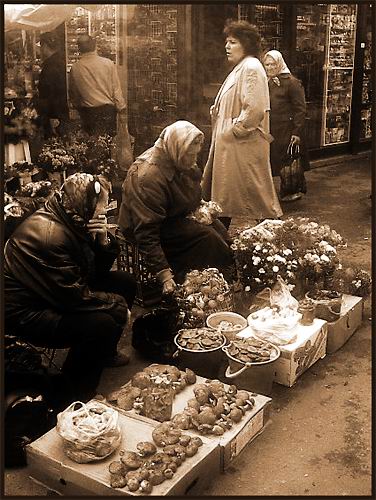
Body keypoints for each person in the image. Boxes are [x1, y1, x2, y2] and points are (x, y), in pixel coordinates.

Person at [4, 173, 137, 408]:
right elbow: (72, 296)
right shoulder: (50, 235)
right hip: (26, 311)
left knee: (124, 282)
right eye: (102, 205)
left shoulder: (72, 217)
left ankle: (103, 353)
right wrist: (116, 306)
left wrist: (103, 240)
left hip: (52, 292)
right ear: (84, 203)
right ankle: (72, 396)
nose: (105, 211)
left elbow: (91, 273)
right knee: (100, 324)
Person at [118, 120, 235, 294]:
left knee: (219, 230)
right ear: (177, 149)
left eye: (196, 155)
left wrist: (202, 208)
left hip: (174, 216)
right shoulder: (148, 177)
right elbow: (146, 231)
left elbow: (192, 194)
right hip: (148, 228)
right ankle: (205, 283)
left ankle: (228, 270)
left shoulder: (179, 159)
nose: (194, 160)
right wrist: (164, 274)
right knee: (207, 238)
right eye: (190, 155)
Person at [202, 20, 282, 230]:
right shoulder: (243, 67)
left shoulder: (252, 67)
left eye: (233, 42)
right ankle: (220, 243)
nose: (227, 46)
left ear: (245, 43)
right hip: (233, 147)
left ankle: (277, 244)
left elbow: (254, 108)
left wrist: (235, 130)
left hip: (241, 146)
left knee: (255, 197)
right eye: (227, 42)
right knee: (227, 199)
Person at [263, 49, 310, 201]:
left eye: (272, 64)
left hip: (287, 128)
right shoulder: (268, 82)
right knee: (278, 159)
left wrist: (296, 132)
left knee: (288, 159)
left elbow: (300, 108)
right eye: (267, 65)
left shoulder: (292, 83)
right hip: (273, 127)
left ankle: (291, 191)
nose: (269, 68)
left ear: (280, 64)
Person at [69, 34, 126, 136]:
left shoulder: (75, 68)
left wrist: (77, 108)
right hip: (107, 112)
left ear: (79, 48)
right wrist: (121, 110)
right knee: (108, 144)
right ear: (94, 45)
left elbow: (74, 94)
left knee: (91, 145)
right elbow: (116, 90)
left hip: (88, 114)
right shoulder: (108, 64)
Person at [37, 31, 69, 138]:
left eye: (41, 46)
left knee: (54, 140)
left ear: (45, 46)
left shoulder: (50, 65)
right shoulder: (60, 61)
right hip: (60, 110)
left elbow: (50, 93)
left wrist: (52, 116)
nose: (40, 50)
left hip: (54, 112)